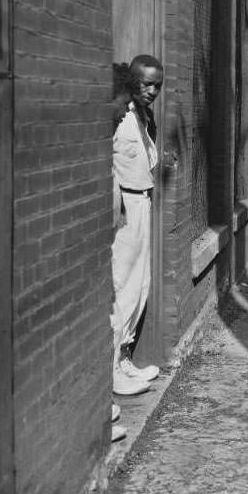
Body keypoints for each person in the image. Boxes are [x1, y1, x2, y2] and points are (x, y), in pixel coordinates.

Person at [109, 55, 165, 430]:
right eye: (146, 83)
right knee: (122, 285)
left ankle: (124, 358)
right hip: (125, 205)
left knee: (139, 285)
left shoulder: (145, 118)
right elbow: (105, 159)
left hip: (142, 200)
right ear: (132, 81)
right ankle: (111, 366)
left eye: (157, 85)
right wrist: (114, 200)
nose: (152, 90)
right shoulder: (118, 113)